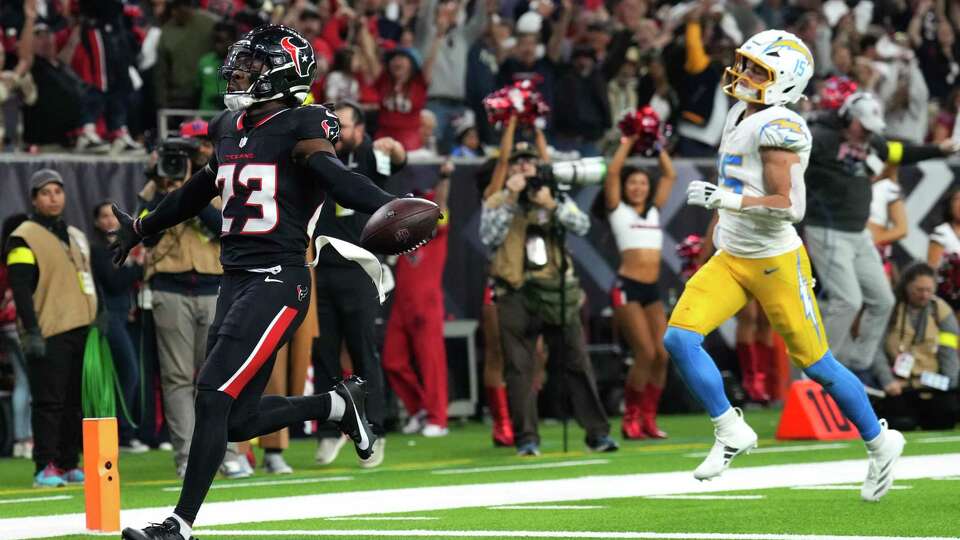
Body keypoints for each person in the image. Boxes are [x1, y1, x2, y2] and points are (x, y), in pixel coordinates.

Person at [115, 24, 421, 540]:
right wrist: (145, 226)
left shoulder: (303, 122)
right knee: (235, 420)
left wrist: (387, 206)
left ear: (283, 72)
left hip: (279, 279)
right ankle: (336, 405)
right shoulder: (229, 127)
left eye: (252, 67)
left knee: (211, 394)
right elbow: (199, 189)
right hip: (235, 278)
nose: (239, 75)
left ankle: (179, 523)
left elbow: (334, 174)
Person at [663, 30, 905, 502]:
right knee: (679, 337)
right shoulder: (739, 112)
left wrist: (727, 199)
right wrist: (719, 225)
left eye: (759, 70)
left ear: (785, 84)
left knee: (818, 364)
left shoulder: (781, 127)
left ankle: (880, 442)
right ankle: (730, 428)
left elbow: (789, 205)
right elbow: (736, 182)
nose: (745, 74)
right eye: (747, 64)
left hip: (775, 261)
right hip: (732, 255)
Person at [804, 92, 958, 377]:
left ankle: (856, 367)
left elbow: (897, 153)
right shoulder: (820, 138)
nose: (867, 135)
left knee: (882, 300)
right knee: (847, 301)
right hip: (827, 229)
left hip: (858, 232)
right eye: (863, 128)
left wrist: (939, 149)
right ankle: (819, 370)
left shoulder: (870, 141)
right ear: (848, 118)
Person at [480, 145, 618, 457]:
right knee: (519, 367)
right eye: (517, 164)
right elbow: (489, 237)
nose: (524, 167)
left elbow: (582, 226)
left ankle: (598, 433)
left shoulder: (554, 194)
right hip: (514, 292)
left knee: (576, 360)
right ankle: (527, 438)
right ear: (510, 170)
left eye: (529, 162)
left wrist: (553, 205)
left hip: (556, 290)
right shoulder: (497, 200)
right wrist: (512, 200)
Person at [139, 137, 248, 479]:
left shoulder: (215, 184)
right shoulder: (151, 190)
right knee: (176, 378)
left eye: (185, 156)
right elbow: (147, 236)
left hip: (213, 287)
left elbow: (224, 228)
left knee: (218, 375)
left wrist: (191, 193)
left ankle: (226, 452)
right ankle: (186, 456)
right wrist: (163, 191)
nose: (178, 163)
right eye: (173, 158)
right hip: (168, 286)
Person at [312, 100, 406, 470]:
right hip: (322, 266)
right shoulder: (317, 156)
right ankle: (330, 429)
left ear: (360, 131)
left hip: (360, 268)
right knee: (324, 354)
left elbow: (396, 160)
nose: (335, 130)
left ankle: (375, 428)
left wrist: (395, 148)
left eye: (343, 125)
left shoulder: (367, 156)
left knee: (364, 352)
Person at [5, 170, 97, 488]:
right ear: (33, 199)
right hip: (48, 329)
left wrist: (98, 314)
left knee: (75, 402)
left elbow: (87, 277)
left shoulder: (75, 234)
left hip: (81, 326)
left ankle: (69, 463)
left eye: (58, 191)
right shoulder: (22, 236)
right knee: (49, 401)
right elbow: (19, 288)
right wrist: (30, 330)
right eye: (45, 192)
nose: (53, 197)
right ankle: (44, 465)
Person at [599, 135, 676, 439]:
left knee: (663, 354)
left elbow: (669, 174)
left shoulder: (654, 210)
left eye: (643, 183)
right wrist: (629, 140)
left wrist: (656, 145)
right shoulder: (618, 210)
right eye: (633, 183)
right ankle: (630, 418)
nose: (638, 187)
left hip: (651, 289)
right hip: (626, 287)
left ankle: (648, 418)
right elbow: (614, 172)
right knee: (644, 352)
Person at [384, 163, 452, 437]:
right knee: (392, 360)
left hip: (427, 303)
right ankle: (420, 409)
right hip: (402, 303)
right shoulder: (404, 234)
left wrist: (446, 177)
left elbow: (444, 207)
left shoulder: (437, 228)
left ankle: (439, 419)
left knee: (431, 363)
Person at [871, 263, 959, 431]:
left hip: (932, 384)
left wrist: (949, 384)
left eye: (929, 290)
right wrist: (887, 381)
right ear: (906, 286)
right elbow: (875, 350)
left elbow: (949, 354)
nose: (924, 295)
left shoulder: (942, 312)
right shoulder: (891, 309)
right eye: (919, 290)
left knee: (946, 415)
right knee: (901, 421)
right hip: (897, 386)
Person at [89, 201, 148, 454]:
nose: (109, 220)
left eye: (112, 216)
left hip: (123, 316)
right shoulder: (98, 251)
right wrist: (138, 266)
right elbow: (114, 283)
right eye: (103, 216)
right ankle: (122, 434)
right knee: (129, 373)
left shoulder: (120, 248)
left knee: (127, 374)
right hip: (109, 318)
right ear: (96, 223)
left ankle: (122, 432)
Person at [0, 213, 30, 459]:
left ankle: (20, 441)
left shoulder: (2, 262)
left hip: (6, 326)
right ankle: (28, 439)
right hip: (21, 324)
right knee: (34, 383)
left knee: (22, 382)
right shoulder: (22, 254)